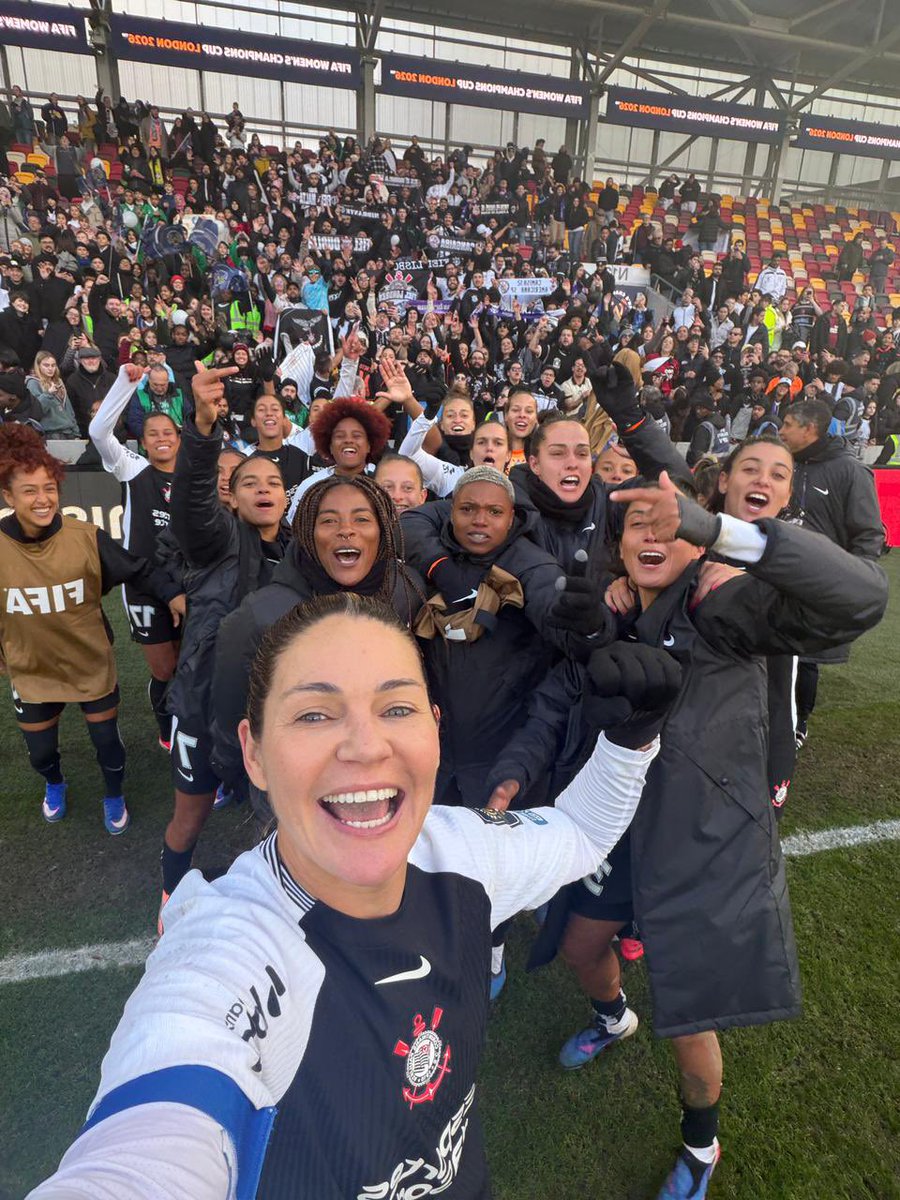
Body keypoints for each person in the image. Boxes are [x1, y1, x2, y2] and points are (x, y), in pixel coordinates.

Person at [28, 593, 676, 1200]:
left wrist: (631, 740)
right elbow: (147, 1144)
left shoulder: (458, 849)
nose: (367, 747)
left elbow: (581, 835)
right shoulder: (232, 949)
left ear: (434, 729)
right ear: (253, 753)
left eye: (396, 708)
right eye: (315, 713)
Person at [505, 461, 887, 1200]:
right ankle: (613, 1018)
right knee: (583, 947)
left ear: (696, 542)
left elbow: (862, 598)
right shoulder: (610, 609)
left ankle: (701, 1145)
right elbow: (562, 692)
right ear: (617, 550)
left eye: (668, 524)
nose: (651, 535)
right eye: (634, 528)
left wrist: (722, 537)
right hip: (615, 836)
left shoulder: (726, 607)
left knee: (691, 1012)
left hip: (698, 844)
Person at [0, 424, 181, 832]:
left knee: (107, 747)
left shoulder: (85, 537)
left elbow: (139, 568)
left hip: (90, 665)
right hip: (32, 672)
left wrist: (171, 594)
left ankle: (113, 794)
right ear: (8, 497)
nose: (42, 499)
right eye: (29, 491)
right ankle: (54, 782)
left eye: (49, 488)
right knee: (40, 753)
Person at [160, 364, 290, 923]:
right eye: (249, 484)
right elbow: (190, 500)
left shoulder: (301, 553)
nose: (263, 489)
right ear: (231, 500)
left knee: (277, 821)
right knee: (188, 817)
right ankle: (168, 898)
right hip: (202, 705)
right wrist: (201, 431)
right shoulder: (214, 540)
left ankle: (275, 908)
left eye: (274, 483)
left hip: (270, 716)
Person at [209, 472, 425, 803]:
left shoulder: (407, 590)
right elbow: (230, 703)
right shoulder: (263, 614)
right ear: (308, 535)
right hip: (297, 786)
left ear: (383, 531)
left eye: (362, 519)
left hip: (384, 770)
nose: (346, 530)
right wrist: (235, 767)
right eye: (328, 521)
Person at [89, 364, 185, 748]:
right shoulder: (133, 469)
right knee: (164, 669)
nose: (161, 439)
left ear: (179, 438)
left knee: (185, 663)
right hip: (144, 585)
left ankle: (187, 723)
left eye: (168, 433)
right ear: (142, 442)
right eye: (152, 434)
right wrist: (125, 384)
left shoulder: (194, 478)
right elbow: (98, 431)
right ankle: (166, 731)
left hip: (184, 583)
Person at [779, 398, 884, 747]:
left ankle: (798, 723)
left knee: (805, 657)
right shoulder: (783, 462)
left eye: (787, 424)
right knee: (770, 649)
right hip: (774, 572)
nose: (780, 431)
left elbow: (869, 533)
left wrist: (851, 577)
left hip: (817, 581)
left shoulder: (851, 471)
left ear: (810, 429)